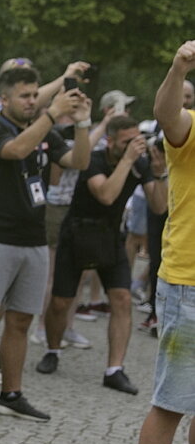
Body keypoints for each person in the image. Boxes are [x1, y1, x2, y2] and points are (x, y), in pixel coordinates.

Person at [0, 66, 90, 421]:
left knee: (20, 323)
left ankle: (11, 394)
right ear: (5, 99)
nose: (32, 101)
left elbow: (79, 161)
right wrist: (51, 113)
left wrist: (84, 122)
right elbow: (16, 151)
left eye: (35, 95)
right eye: (26, 96)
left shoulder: (44, 131)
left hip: (34, 241)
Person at [35, 116, 166, 395]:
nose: (133, 145)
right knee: (60, 302)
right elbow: (106, 194)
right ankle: (52, 350)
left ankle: (114, 369)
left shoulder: (139, 163)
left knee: (121, 299)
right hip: (77, 234)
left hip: (109, 236)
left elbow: (158, 206)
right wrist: (128, 161)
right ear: (110, 141)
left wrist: (161, 172)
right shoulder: (92, 160)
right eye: (126, 142)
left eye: (135, 140)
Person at [136, 40, 195, 444]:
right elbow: (166, 115)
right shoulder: (190, 128)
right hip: (187, 284)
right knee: (172, 403)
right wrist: (177, 69)